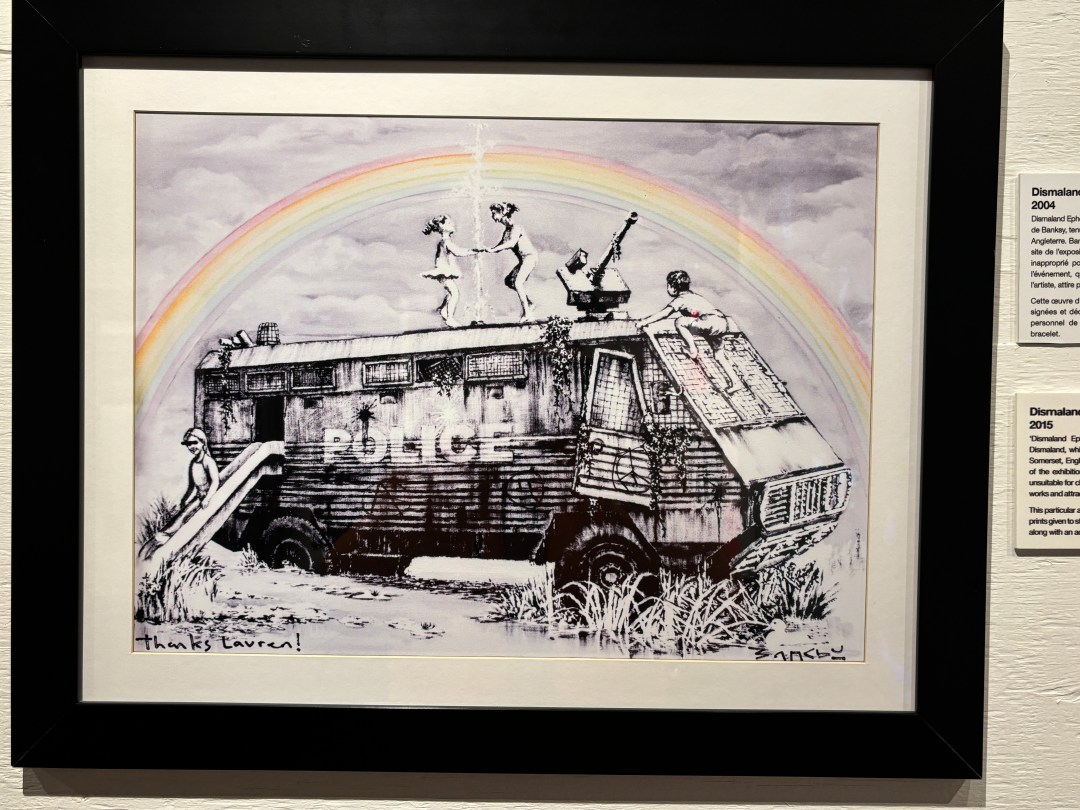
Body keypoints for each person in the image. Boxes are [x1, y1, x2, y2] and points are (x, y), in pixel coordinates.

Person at [639, 270, 744, 393]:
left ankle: (693, 350)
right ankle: (736, 382)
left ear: (673, 287)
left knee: (680, 321)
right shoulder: (695, 297)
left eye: (668, 285)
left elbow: (665, 313)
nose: (667, 289)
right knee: (719, 355)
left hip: (709, 322)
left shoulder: (681, 299)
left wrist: (644, 322)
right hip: (721, 323)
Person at [477, 202, 537, 321]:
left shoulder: (516, 227)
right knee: (509, 281)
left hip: (530, 257)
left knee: (518, 283)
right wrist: (489, 249)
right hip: (523, 260)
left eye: (494, 213)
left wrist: (493, 249)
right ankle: (529, 304)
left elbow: (511, 243)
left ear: (502, 213)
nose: (492, 216)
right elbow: (501, 245)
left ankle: (527, 313)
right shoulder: (507, 231)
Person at [158, 427, 220, 538]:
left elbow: (215, 482)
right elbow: (191, 486)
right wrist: (184, 499)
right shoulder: (193, 462)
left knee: (187, 516)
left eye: (194, 443)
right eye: (188, 444)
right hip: (199, 497)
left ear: (203, 442)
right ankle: (168, 534)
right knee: (183, 513)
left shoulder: (208, 461)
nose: (191, 447)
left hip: (209, 498)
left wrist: (207, 499)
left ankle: (169, 535)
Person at [422, 215, 472, 328]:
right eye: (449, 223)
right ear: (442, 226)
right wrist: (473, 250)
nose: (453, 224)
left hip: (445, 272)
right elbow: (458, 252)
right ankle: (450, 318)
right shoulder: (446, 242)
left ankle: (444, 311)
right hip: (444, 272)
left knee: (451, 293)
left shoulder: (443, 242)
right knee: (455, 293)